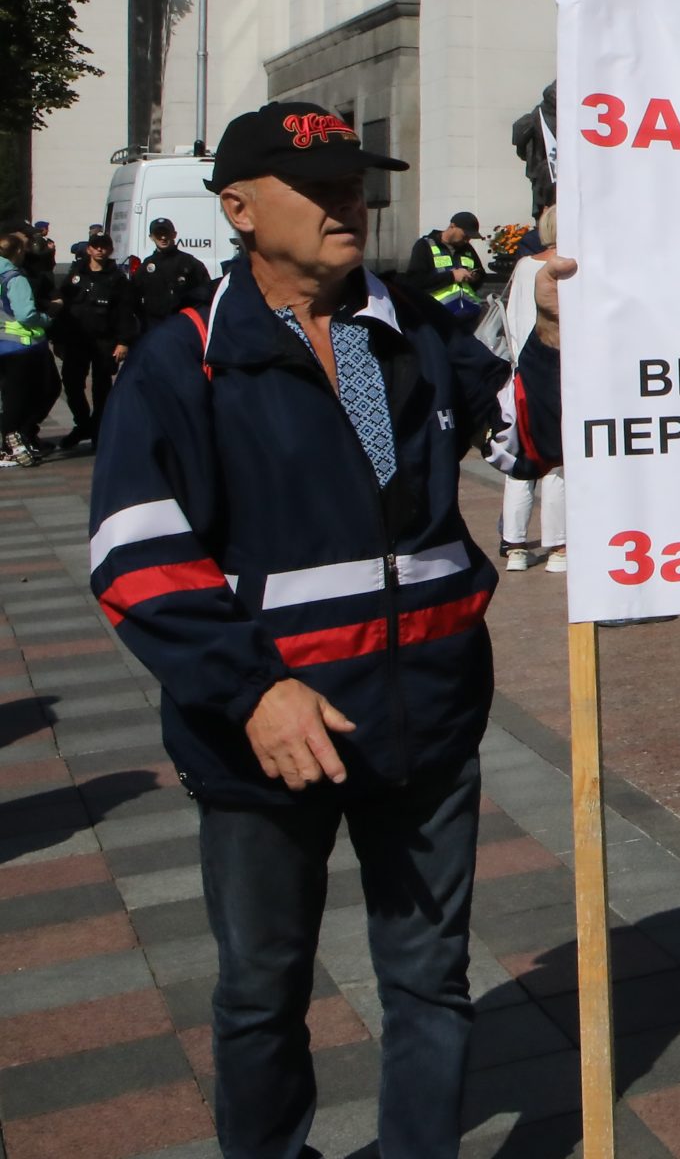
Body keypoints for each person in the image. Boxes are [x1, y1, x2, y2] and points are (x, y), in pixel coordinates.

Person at [87, 102, 566, 1159]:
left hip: (429, 721)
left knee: (431, 979)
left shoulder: (409, 325)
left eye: (359, 181)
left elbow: (530, 441)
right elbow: (132, 551)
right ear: (242, 209)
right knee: (262, 990)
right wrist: (251, 687)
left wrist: (550, 344)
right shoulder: (186, 359)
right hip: (267, 737)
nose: (353, 199)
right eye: (324, 185)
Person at [494, 209, 568, 573]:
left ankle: (516, 544)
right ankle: (558, 546)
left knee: (521, 458)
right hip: (554, 368)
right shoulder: (566, 268)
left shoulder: (523, 266)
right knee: (557, 462)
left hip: (521, 370)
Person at [54, 231, 138, 450]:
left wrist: (123, 341)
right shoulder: (75, 274)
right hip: (76, 340)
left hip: (104, 341)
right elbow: (63, 308)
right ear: (89, 249)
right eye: (96, 246)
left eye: (104, 246)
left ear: (110, 249)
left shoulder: (117, 278)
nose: (100, 249)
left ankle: (98, 429)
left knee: (101, 389)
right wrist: (59, 338)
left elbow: (124, 312)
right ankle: (83, 424)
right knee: (72, 385)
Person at [0, 229, 54, 464]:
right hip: (22, 345)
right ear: (19, 252)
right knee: (24, 397)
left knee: (13, 398)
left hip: (4, 344)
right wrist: (47, 318)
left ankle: (14, 441)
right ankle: (11, 444)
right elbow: (25, 313)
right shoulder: (14, 277)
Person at [135, 215, 214, 330]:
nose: (163, 237)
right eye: (158, 234)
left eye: (166, 233)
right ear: (151, 237)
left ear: (174, 235)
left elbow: (206, 292)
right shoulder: (146, 266)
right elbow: (133, 297)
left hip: (183, 324)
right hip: (154, 326)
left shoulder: (189, 263)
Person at [406, 212, 486, 318]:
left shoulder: (467, 248)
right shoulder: (424, 245)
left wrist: (476, 276)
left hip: (469, 314)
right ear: (452, 226)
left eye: (470, 237)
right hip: (436, 314)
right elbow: (415, 280)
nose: (467, 240)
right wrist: (452, 276)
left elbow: (481, 274)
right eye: (465, 235)